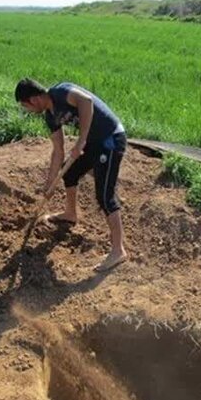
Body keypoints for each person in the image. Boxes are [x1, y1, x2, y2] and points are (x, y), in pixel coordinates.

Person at [14, 78, 128, 272]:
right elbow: (58, 150)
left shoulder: (62, 92)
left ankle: (118, 251)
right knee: (70, 171)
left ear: (33, 100)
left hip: (110, 139)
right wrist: (50, 183)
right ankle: (71, 213)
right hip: (94, 143)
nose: (29, 111)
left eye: (26, 107)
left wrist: (81, 141)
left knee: (104, 196)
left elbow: (87, 102)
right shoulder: (50, 117)